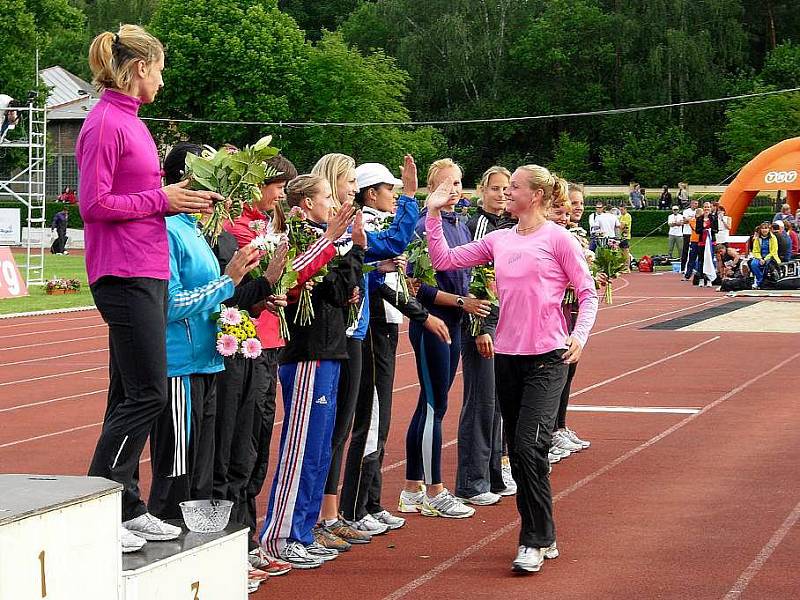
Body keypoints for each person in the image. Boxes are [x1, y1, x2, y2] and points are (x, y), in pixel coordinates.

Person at [76, 25, 220, 553]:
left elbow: (145, 196)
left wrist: (175, 201)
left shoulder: (132, 122)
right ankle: (103, 499)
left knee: (127, 391)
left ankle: (128, 505)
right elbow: (94, 204)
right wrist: (163, 200)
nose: (162, 78)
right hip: (123, 272)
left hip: (148, 268)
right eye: (159, 68)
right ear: (139, 69)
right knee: (149, 394)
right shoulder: (104, 124)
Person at [425, 164, 598, 573]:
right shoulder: (499, 239)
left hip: (548, 357)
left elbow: (588, 292)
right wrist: (432, 214)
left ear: (535, 195)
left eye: (515, 187)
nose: (507, 193)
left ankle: (533, 540)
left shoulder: (559, 239)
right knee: (521, 457)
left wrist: (580, 336)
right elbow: (444, 259)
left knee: (528, 446)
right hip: (508, 356)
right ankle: (546, 531)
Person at [311, 154, 420, 544]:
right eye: (346, 184)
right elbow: (387, 245)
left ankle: (340, 510)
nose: (352, 191)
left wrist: (370, 268)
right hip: (340, 334)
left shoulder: (352, 223)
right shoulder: (344, 224)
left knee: (345, 426)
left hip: (357, 331)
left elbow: (371, 261)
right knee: (349, 426)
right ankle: (337, 511)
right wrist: (412, 198)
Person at [339, 162, 451, 538]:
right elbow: (393, 245)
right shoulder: (364, 222)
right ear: (372, 193)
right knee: (370, 422)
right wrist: (411, 196)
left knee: (380, 420)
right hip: (367, 329)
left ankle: (369, 502)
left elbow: (388, 270)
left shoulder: (372, 221)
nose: (393, 196)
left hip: (383, 326)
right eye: (390, 190)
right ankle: (355, 507)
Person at [259, 177, 365, 569]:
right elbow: (293, 276)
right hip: (307, 354)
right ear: (304, 203)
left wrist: (353, 247)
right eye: (326, 196)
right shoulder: (293, 238)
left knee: (319, 448)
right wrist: (336, 241)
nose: (334, 202)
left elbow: (341, 289)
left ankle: (302, 531)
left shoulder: (324, 239)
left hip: (331, 349)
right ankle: (279, 536)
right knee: (301, 448)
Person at [399, 158, 492, 520]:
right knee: (435, 405)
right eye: (445, 184)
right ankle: (433, 489)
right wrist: (459, 302)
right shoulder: (424, 225)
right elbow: (415, 285)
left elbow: (468, 272)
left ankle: (411, 487)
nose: (454, 190)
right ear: (429, 190)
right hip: (432, 322)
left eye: (457, 183)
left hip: (455, 321)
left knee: (432, 404)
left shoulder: (462, 227)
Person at [454, 166, 514, 508]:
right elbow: (477, 280)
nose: (502, 194)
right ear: (481, 191)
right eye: (495, 189)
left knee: (496, 402)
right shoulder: (480, 226)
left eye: (507, 189)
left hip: (502, 325)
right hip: (481, 324)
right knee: (480, 401)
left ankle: (492, 472)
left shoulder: (507, 226)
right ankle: (471, 480)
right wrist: (482, 328)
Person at [749, 222, 781, 289]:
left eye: (766, 228)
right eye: (762, 228)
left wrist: (765, 259)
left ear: (769, 229)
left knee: (767, 264)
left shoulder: (773, 238)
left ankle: (760, 282)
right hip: (760, 257)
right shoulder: (757, 239)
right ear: (760, 230)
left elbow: (773, 251)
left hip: (771, 257)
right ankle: (761, 280)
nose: (764, 230)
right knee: (753, 264)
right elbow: (755, 251)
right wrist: (760, 259)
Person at [694, 202, 718, 287]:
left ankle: (709, 279)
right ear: (703, 208)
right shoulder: (699, 218)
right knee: (701, 261)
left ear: (710, 208)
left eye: (708, 207)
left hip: (711, 242)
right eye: (705, 207)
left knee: (710, 260)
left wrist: (710, 230)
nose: (706, 209)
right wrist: (703, 228)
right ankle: (701, 279)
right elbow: (697, 230)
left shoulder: (714, 218)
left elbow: (716, 230)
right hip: (702, 242)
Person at [680, 200, 699, 272]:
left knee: (694, 251)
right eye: (695, 203)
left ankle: (693, 267)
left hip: (695, 234)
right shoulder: (686, 211)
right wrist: (693, 219)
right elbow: (684, 221)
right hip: (687, 233)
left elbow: (699, 219)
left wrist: (690, 220)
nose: (696, 205)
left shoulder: (698, 211)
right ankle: (683, 267)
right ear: (691, 204)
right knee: (685, 250)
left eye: (697, 204)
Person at [618, 205, 632, 272]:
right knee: (622, 253)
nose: (621, 211)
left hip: (625, 236)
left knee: (626, 252)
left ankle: (627, 267)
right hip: (620, 236)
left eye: (622, 210)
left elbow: (622, 226)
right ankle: (623, 266)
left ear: (625, 209)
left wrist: (618, 225)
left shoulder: (627, 216)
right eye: (620, 210)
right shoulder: (621, 216)